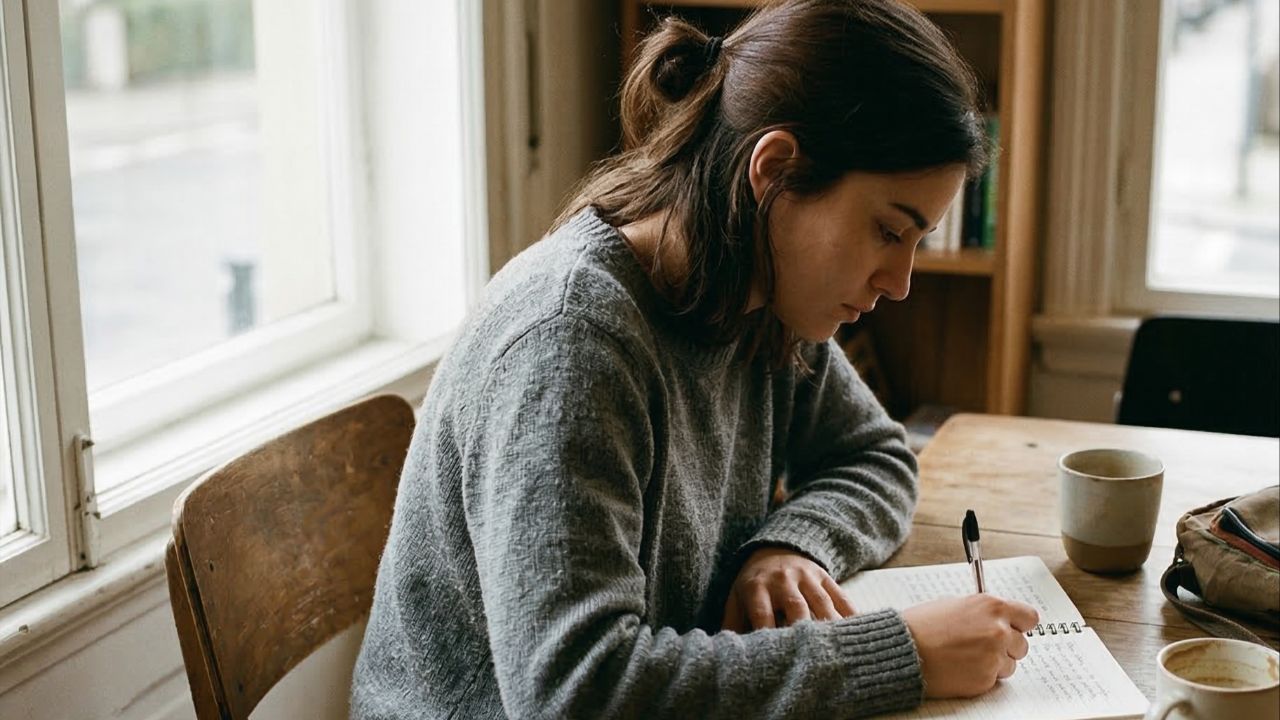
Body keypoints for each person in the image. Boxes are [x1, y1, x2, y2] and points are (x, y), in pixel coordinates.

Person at [351, 0, 1039, 717]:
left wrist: (791, 546)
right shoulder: (568, 345)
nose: (899, 284)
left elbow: (875, 456)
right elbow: (577, 691)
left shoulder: (757, 296)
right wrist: (903, 654)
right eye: (889, 232)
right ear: (775, 171)